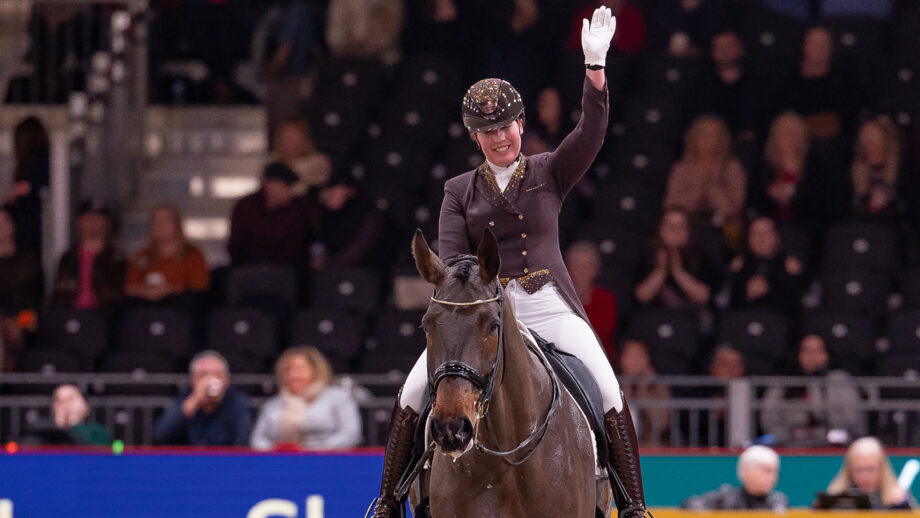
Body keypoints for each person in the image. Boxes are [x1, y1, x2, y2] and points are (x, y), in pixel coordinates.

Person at [372, 8, 648, 517]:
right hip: (484, 311)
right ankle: (388, 500)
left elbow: (590, 132)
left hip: (546, 304)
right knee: (413, 391)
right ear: (473, 137)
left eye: (506, 126)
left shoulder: (550, 171)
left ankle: (633, 506)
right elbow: (454, 259)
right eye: (487, 130)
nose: (500, 137)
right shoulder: (458, 191)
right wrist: (475, 293)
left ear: (520, 123)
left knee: (607, 387)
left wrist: (594, 69)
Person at [760, 335, 865, 447]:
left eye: (818, 350)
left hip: (832, 446)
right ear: (798, 355)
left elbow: (852, 420)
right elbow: (769, 421)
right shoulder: (783, 383)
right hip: (791, 446)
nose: (813, 356)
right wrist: (788, 436)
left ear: (827, 354)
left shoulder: (839, 380)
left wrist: (823, 433)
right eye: (807, 351)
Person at [251, 347, 361, 450]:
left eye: (301, 369)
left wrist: (316, 450)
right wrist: (275, 450)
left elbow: (350, 434)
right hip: (281, 463)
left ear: (316, 371)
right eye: (289, 369)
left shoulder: (338, 397)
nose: (294, 375)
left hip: (329, 461)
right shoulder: (273, 404)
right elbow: (257, 439)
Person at [664, 114, 748, 229]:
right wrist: (697, 191)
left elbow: (735, 209)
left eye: (713, 135)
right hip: (688, 228)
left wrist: (713, 190)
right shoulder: (682, 168)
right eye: (703, 134)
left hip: (723, 230)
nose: (707, 139)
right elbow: (671, 205)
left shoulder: (732, 168)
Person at [154, 350, 252, 446]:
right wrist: (194, 401)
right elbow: (161, 435)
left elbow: (244, 442)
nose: (210, 381)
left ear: (226, 379)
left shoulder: (237, 402)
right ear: (192, 379)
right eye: (203, 375)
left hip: (224, 460)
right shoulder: (183, 399)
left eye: (217, 375)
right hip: (188, 460)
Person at [228, 161, 315, 267]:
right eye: (285, 186)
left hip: (287, 273)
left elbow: (298, 246)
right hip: (249, 271)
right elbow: (236, 245)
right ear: (269, 185)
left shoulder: (298, 208)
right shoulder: (246, 207)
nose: (289, 192)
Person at [125, 204, 210, 306]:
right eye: (156, 222)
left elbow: (199, 289)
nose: (161, 226)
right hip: (145, 309)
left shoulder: (193, 255)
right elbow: (130, 287)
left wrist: (169, 290)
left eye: (166, 221)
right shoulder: (141, 256)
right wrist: (148, 292)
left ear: (177, 225)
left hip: (179, 311)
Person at [634, 208, 719, 309]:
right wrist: (661, 270)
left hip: (691, 318)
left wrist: (678, 272)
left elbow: (704, 297)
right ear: (660, 229)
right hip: (651, 318)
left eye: (681, 226)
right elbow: (641, 296)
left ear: (688, 231)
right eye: (671, 226)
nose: (676, 231)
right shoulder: (646, 255)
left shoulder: (701, 256)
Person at [51, 200, 126, 309]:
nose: (92, 222)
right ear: (79, 221)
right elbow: (59, 293)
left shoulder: (117, 258)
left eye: (97, 217)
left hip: (106, 318)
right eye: (88, 217)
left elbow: (119, 295)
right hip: (72, 315)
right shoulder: (68, 257)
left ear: (107, 222)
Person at [728, 217, 804, 311]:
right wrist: (746, 294)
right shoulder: (740, 265)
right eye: (755, 233)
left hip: (780, 321)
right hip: (746, 321)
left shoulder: (789, 265)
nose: (761, 238)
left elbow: (798, 306)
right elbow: (729, 307)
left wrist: (770, 290)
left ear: (777, 236)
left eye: (766, 233)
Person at [0, 206, 42, 371]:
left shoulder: (29, 263)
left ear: (12, 226)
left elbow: (35, 307)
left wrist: (14, 322)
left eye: (4, 223)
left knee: (11, 330)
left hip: (23, 321)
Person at [682, 445, 788, 510]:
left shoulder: (779, 503)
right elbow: (691, 504)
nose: (773, 477)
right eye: (767, 471)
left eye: (775, 472)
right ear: (747, 471)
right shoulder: (726, 498)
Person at [821, 437, 915, 510]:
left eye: (870, 469)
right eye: (859, 470)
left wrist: (902, 505)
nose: (865, 477)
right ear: (849, 470)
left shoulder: (898, 502)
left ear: (882, 469)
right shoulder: (834, 499)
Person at [566, 240, 618, 359]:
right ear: (568, 270)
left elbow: (600, 335)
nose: (582, 272)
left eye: (587, 266)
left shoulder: (606, 299)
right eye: (577, 266)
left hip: (600, 361)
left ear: (596, 270)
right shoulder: (560, 299)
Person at [5, 116, 48, 254]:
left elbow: (33, 186)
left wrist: (18, 191)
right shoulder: (36, 163)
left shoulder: (37, 163)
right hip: (30, 224)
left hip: (29, 225)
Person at [851, 116, 905, 220]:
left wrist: (888, 197)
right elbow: (853, 204)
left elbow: (907, 200)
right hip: (866, 224)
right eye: (864, 134)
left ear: (885, 137)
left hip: (896, 224)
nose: (867, 139)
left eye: (872, 135)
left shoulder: (901, 167)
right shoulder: (857, 168)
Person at [619, 339, 670, 446]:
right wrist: (626, 385)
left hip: (651, 449)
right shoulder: (612, 384)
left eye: (640, 354)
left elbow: (661, 424)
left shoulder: (658, 386)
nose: (635, 360)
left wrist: (643, 390)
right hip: (623, 452)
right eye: (630, 354)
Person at [271, 117, 332, 197]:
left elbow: (314, 189)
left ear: (305, 137)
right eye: (287, 134)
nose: (291, 139)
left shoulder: (319, 162)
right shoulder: (271, 161)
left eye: (295, 134)